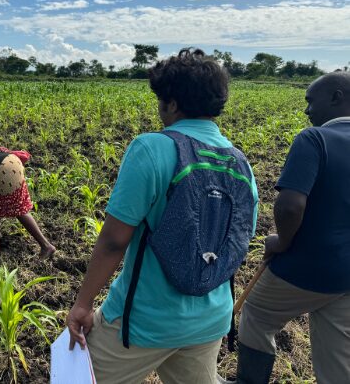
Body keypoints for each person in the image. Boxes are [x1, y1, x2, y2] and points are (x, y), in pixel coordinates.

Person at [66, 48, 259, 384]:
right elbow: (241, 238)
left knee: (78, 379)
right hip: (211, 318)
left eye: (160, 101)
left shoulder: (151, 148)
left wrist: (83, 305)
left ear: (171, 103)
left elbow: (114, 241)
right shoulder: (239, 162)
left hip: (145, 321)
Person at [234, 72, 350, 384]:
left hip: (309, 266)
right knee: (337, 352)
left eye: (311, 102)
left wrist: (281, 241)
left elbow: (289, 205)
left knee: (256, 313)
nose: (307, 111)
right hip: (346, 273)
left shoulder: (314, 139)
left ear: (337, 98)